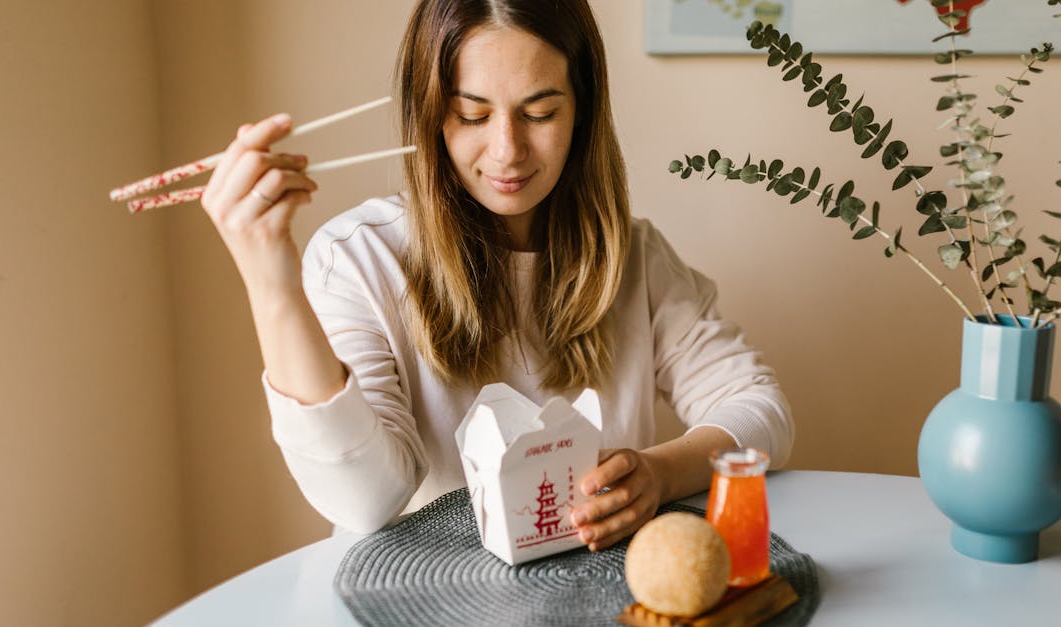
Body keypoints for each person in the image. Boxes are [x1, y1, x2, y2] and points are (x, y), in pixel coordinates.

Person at [199, 0, 794, 551]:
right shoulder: (359, 259)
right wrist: (270, 280)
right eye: (471, 114)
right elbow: (366, 501)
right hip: (415, 602)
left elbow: (761, 410)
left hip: (597, 591)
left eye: (539, 112)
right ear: (431, 116)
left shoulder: (632, 256)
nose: (507, 151)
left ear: (581, 111)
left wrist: (661, 473)